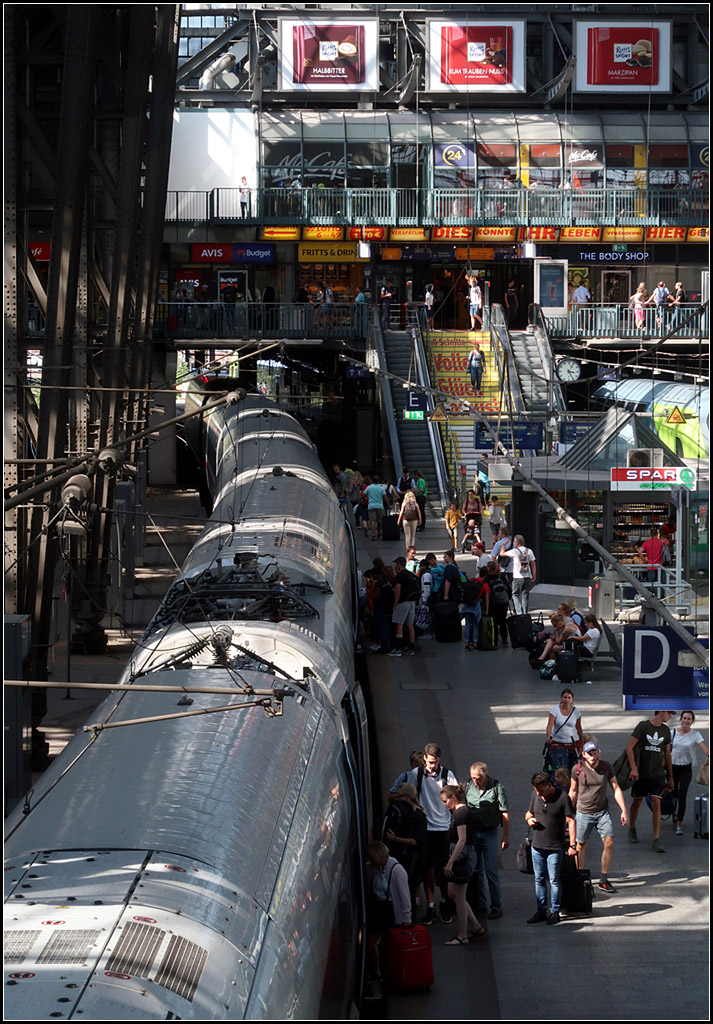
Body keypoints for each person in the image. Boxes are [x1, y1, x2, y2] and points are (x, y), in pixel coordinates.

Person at [392, 743, 457, 925]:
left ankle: (444, 901)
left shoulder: (447, 775)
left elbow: (456, 797)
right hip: (425, 829)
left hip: (443, 828)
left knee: (443, 869)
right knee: (426, 869)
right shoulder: (416, 775)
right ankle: (431, 906)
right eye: (429, 762)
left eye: (434, 763)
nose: (431, 766)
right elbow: (410, 794)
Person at [569, 741, 628, 893]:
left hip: (602, 812)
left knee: (609, 842)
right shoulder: (577, 769)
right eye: (589, 754)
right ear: (583, 755)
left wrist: (623, 810)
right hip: (583, 813)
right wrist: (568, 813)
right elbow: (573, 791)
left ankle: (603, 879)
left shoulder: (606, 767)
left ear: (599, 753)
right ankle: (579, 877)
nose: (592, 757)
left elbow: (615, 788)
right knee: (580, 845)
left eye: (595, 753)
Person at [525, 771, 576, 925]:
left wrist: (572, 845)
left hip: (555, 847)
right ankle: (541, 910)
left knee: (554, 879)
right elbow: (528, 813)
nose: (539, 794)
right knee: (539, 879)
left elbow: (570, 821)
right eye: (536, 790)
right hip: (537, 846)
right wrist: (529, 820)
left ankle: (554, 911)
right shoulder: (535, 795)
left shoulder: (562, 798)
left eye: (541, 790)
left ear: (549, 785)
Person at [440, 785, 485, 944]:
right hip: (463, 856)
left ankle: (462, 935)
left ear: (453, 798)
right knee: (453, 893)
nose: (444, 804)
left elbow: (462, 839)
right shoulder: (461, 812)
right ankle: (475, 926)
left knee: (458, 896)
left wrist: (450, 862)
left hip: (462, 858)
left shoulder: (460, 814)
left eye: (445, 801)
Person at [464, 762, 509, 919]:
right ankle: (480, 904)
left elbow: (504, 813)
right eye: (473, 778)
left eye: (478, 778)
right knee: (476, 870)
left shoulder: (497, 787)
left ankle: (496, 906)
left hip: (489, 833)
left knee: (491, 870)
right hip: (473, 833)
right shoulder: (468, 786)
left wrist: (505, 836)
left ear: (486, 775)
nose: (476, 781)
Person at [625, 710, 674, 853]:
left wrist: (670, 776)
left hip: (657, 773)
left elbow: (667, 754)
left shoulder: (666, 731)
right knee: (637, 801)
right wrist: (633, 768)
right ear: (662, 712)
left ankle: (656, 839)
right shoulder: (643, 726)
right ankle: (632, 828)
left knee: (656, 801)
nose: (670, 717)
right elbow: (630, 747)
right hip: (641, 772)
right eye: (669, 714)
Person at [365, 841, 412, 979]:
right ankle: (379, 971)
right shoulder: (374, 868)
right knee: (373, 941)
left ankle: (385, 971)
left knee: (384, 941)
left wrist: (406, 918)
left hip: (391, 910)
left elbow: (404, 897)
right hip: (380, 908)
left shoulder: (397, 870)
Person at [382, 782, 428, 900]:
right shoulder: (412, 813)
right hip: (410, 856)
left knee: (408, 889)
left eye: (400, 796)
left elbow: (416, 841)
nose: (398, 799)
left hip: (414, 857)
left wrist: (395, 839)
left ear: (407, 797)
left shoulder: (418, 816)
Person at [670, 711, 709, 835]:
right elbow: (665, 750)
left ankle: (679, 823)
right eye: (684, 718)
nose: (686, 721)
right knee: (673, 793)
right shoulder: (672, 733)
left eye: (689, 719)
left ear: (692, 721)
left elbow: (704, 748)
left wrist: (708, 754)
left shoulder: (695, 734)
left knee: (682, 795)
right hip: (672, 767)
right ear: (680, 719)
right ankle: (673, 812)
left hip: (685, 767)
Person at [546, 688, 584, 771]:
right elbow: (550, 725)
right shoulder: (555, 709)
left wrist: (582, 743)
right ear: (561, 698)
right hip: (557, 742)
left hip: (572, 742)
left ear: (572, 699)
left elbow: (579, 728)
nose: (566, 700)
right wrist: (549, 736)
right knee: (556, 764)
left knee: (573, 766)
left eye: (569, 698)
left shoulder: (576, 712)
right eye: (565, 697)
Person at [390, 555, 419, 657]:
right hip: (412, 603)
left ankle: (398, 648)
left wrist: (395, 604)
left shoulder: (400, 576)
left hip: (403, 602)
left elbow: (398, 591)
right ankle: (411, 648)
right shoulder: (411, 575)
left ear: (399, 564)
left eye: (396, 564)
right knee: (410, 625)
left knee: (399, 624)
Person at [500, 534, 536, 615]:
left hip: (517, 577)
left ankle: (519, 612)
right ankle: (525, 613)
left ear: (516, 543)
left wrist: (503, 545)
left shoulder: (515, 551)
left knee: (515, 595)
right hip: (527, 576)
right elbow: (533, 564)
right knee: (525, 595)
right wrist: (534, 575)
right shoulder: (529, 551)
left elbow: (502, 554)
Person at [484, 561, 510, 646]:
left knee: (494, 622)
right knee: (502, 621)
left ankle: (494, 640)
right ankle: (504, 639)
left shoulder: (487, 579)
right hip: (503, 602)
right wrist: (507, 598)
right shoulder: (502, 577)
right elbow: (509, 589)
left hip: (493, 603)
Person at [461, 573, 487, 652]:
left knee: (467, 625)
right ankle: (475, 644)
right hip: (475, 606)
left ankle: (466, 644)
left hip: (467, 606)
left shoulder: (467, 585)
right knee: (475, 625)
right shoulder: (479, 585)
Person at [364, 474, 388, 540]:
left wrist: (366, 498)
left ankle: (373, 534)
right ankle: (379, 532)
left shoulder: (369, 487)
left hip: (371, 506)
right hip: (380, 506)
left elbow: (363, 494)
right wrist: (388, 505)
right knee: (380, 520)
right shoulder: (381, 488)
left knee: (372, 521)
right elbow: (385, 497)